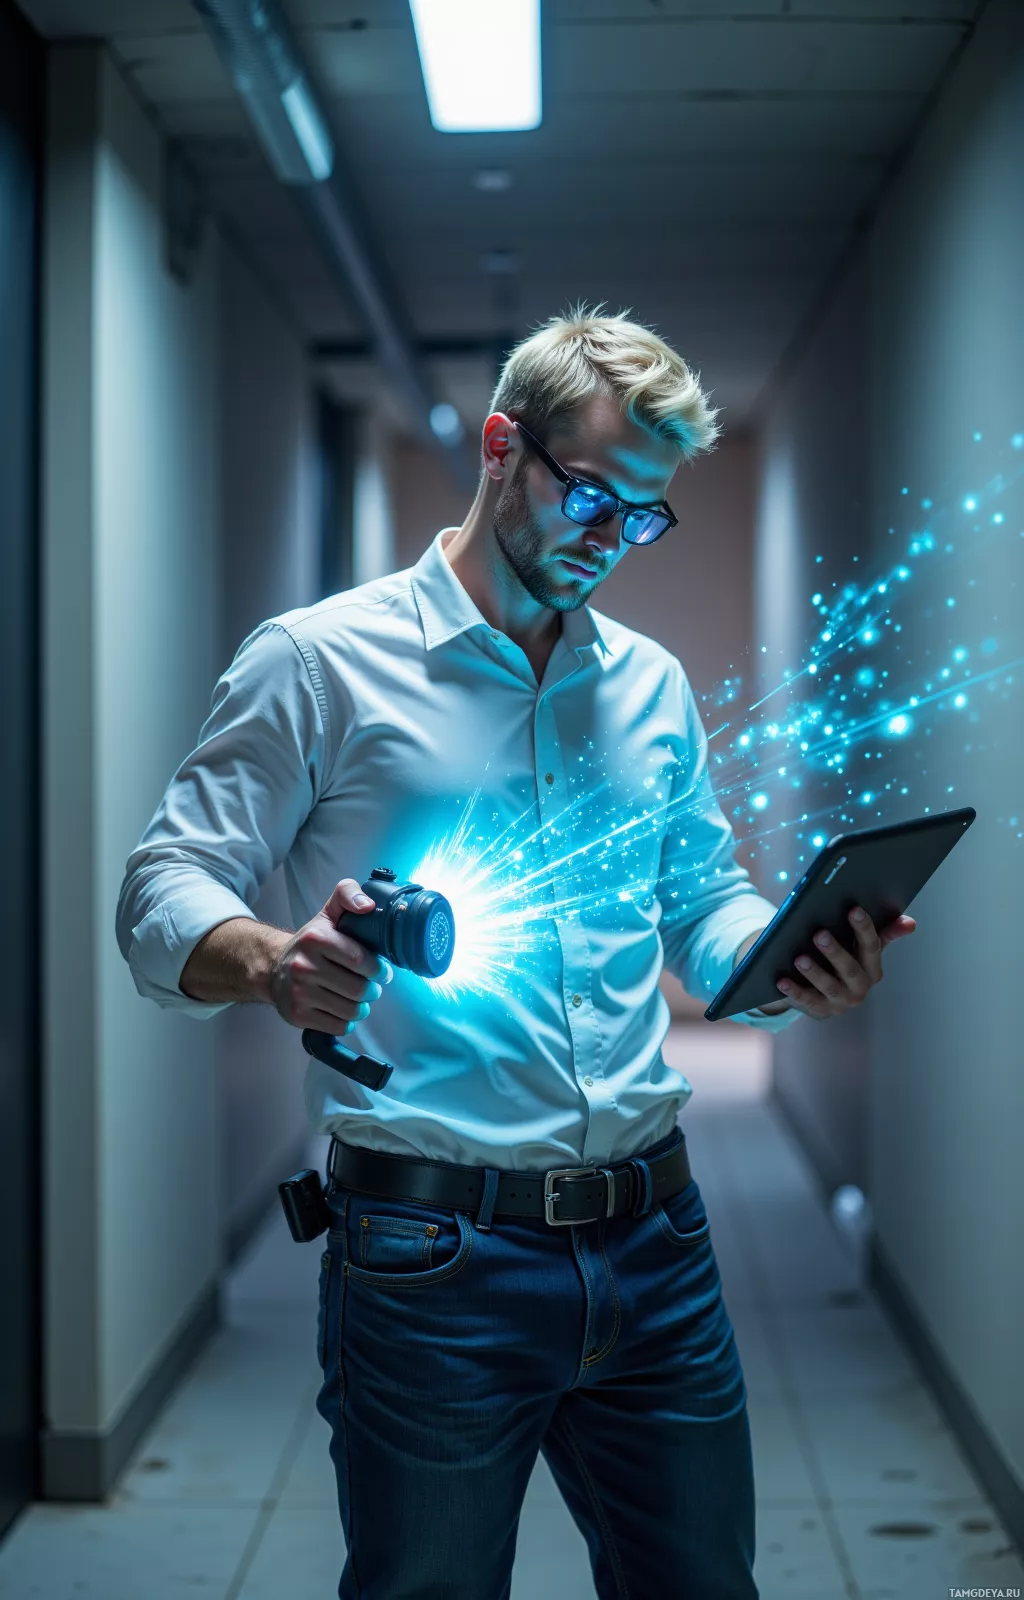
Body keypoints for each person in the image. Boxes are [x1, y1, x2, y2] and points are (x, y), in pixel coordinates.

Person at [117, 308, 915, 1599]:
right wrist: (268, 959)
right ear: (501, 447)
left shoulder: (649, 688)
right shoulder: (322, 664)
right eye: (594, 496)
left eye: (647, 518)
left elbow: (699, 907)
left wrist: (778, 961)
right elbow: (159, 887)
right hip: (434, 1266)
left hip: (658, 1246)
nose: (615, 541)